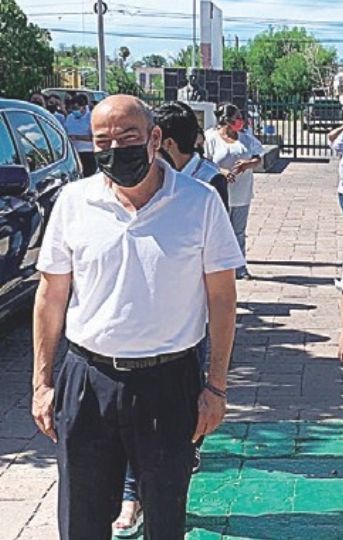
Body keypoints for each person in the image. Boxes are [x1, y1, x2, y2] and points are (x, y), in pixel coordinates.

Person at [31, 95, 243, 539]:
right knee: (81, 518)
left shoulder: (199, 202)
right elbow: (51, 296)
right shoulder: (73, 202)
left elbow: (222, 299)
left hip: (169, 383)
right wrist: (42, 383)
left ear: (155, 139)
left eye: (127, 137)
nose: (114, 148)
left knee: (165, 518)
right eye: (102, 140)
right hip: (87, 380)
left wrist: (216, 386)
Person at [205, 102, 263, 279]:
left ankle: (240, 267)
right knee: (220, 231)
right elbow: (205, 162)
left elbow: (259, 157)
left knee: (239, 231)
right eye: (237, 117)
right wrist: (221, 172)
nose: (241, 121)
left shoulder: (245, 138)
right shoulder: (211, 138)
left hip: (242, 192)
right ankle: (221, 268)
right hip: (220, 193)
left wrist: (249, 164)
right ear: (226, 120)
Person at [64, 93, 96, 177]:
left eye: (77, 108)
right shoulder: (70, 117)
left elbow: (94, 137)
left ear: (83, 107)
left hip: (88, 152)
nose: (75, 111)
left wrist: (77, 137)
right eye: (73, 108)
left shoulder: (91, 117)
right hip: (74, 152)